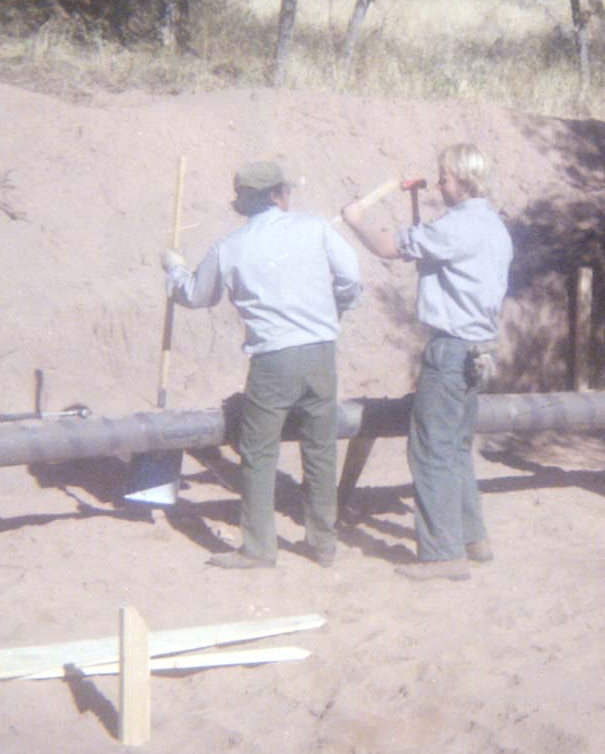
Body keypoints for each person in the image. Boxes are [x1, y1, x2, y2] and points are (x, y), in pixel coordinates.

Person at [162, 160, 362, 569]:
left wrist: (173, 270)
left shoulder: (230, 247)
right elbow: (351, 278)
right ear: (277, 195)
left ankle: (258, 547)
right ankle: (323, 542)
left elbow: (197, 296)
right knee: (321, 449)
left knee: (258, 453)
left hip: (273, 360)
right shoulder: (315, 228)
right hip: (321, 352)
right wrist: (334, 311)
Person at [342, 143, 512, 581]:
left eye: (446, 178)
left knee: (430, 450)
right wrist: (417, 212)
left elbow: (387, 247)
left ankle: (441, 555)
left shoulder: (456, 228)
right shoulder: (491, 225)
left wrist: (356, 222)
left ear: (468, 179)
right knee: (455, 447)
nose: (440, 184)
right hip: (478, 350)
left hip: (450, 350)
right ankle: (474, 539)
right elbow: (432, 253)